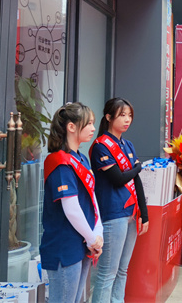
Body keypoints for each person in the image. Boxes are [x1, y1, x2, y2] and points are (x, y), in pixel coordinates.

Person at [40, 102, 103, 303]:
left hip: (82, 243)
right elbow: (71, 209)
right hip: (64, 245)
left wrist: (98, 233)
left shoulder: (82, 159)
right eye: (88, 123)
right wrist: (92, 238)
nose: (93, 128)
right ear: (71, 127)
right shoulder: (59, 162)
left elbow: (92, 198)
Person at [90, 97, 148, 303]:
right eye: (122, 115)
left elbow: (135, 180)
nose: (127, 119)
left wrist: (144, 214)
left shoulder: (128, 144)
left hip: (131, 213)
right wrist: (138, 167)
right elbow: (118, 179)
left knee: (122, 270)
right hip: (113, 213)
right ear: (108, 117)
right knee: (107, 273)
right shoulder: (101, 146)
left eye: (129, 115)